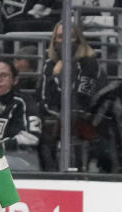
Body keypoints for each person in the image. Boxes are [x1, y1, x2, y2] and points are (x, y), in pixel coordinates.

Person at [37, 21, 108, 171]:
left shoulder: (89, 64)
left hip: (90, 123)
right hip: (58, 122)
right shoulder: (50, 64)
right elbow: (44, 99)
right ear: (54, 40)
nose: (64, 41)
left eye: (70, 36)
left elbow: (81, 100)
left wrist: (58, 75)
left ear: (78, 40)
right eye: (60, 37)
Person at [0, 58, 41, 171]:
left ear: (15, 79)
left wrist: (0, 146)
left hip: (22, 158)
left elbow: (32, 137)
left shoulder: (25, 102)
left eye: (4, 75)